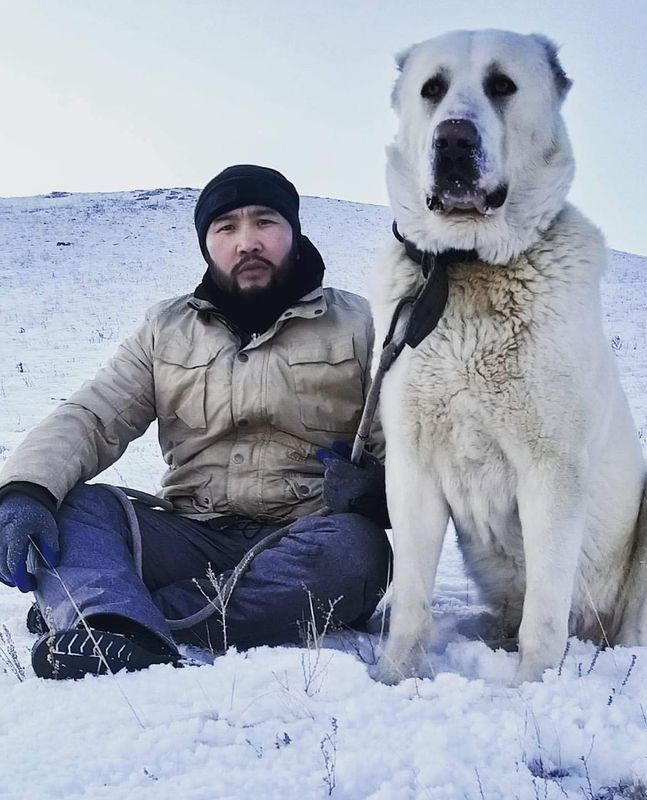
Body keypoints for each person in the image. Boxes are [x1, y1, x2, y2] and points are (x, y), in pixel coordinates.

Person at [0, 164, 392, 680]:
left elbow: (409, 443)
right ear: (207, 245)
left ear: (293, 231)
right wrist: (25, 488)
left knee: (357, 552)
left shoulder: (363, 324)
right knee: (71, 506)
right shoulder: (166, 327)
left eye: (265, 222)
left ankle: (117, 618)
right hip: (190, 536)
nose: (247, 242)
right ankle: (116, 617)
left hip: (304, 541)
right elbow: (94, 414)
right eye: (226, 228)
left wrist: (373, 493)